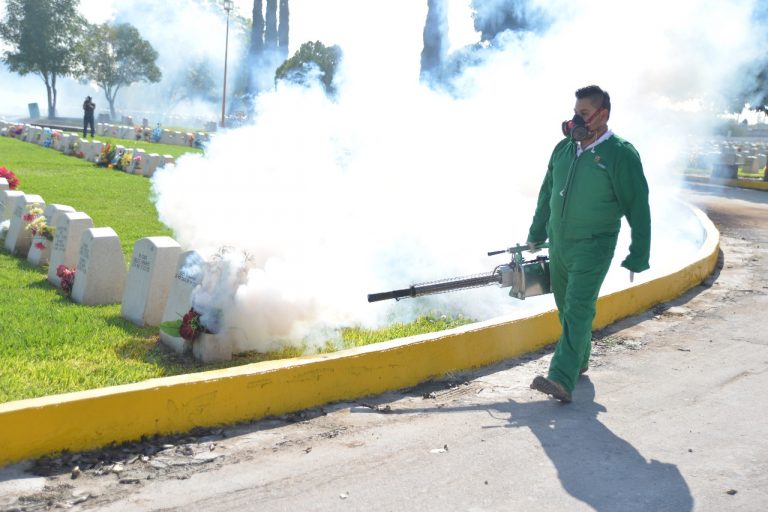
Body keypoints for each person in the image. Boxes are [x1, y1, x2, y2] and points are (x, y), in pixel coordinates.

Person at [526, 85, 651, 403]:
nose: (574, 120)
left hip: (594, 246)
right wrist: (536, 233)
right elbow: (546, 193)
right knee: (565, 308)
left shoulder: (620, 154)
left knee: (579, 309)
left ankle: (560, 378)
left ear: (602, 115)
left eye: (582, 114)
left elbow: (638, 206)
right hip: (560, 245)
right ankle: (579, 361)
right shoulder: (563, 149)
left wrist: (639, 253)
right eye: (575, 112)